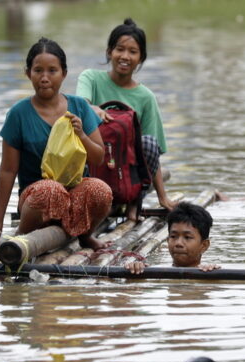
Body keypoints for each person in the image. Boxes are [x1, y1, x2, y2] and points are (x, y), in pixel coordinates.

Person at [0, 37, 113, 251]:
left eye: (52, 71)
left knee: (100, 190)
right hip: (37, 199)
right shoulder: (18, 114)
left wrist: (82, 135)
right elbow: (7, 170)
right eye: (38, 70)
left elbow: (98, 157)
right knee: (52, 190)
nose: (44, 78)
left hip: (74, 194)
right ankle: (22, 238)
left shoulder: (79, 107)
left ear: (64, 74)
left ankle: (85, 235)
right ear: (28, 74)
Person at [76, 18, 175, 220]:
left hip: (126, 177)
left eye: (133, 52)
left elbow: (152, 154)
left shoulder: (145, 97)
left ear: (141, 58)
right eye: (120, 49)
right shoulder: (91, 79)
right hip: (93, 167)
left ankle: (132, 205)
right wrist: (92, 108)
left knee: (147, 143)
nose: (125, 56)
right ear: (109, 52)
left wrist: (162, 197)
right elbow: (80, 106)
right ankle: (91, 200)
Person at [125, 202, 220, 274]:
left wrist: (214, 276)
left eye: (187, 237)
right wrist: (135, 271)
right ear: (167, 240)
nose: (178, 243)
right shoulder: (153, 272)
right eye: (173, 236)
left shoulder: (211, 273)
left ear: (204, 245)